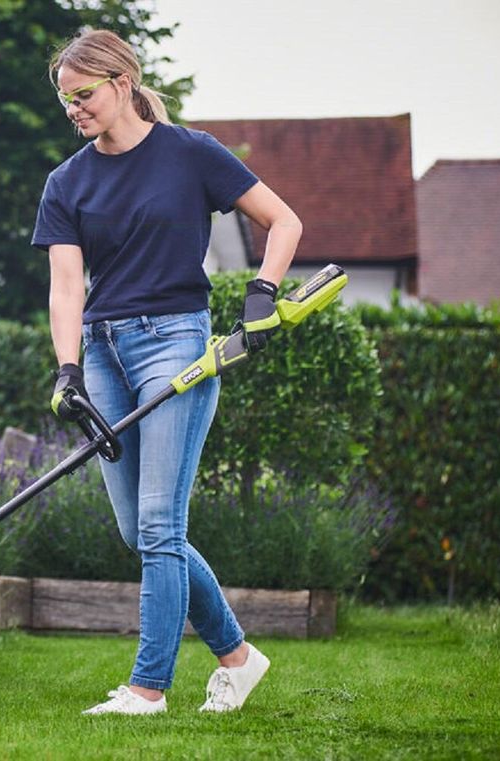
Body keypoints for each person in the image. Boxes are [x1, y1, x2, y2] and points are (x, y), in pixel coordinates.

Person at [32, 29, 303, 716]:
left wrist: (262, 293)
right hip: (103, 353)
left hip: (174, 343)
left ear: (122, 82)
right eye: (65, 100)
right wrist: (68, 370)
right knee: (142, 531)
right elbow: (67, 287)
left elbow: (284, 221)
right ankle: (238, 658)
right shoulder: (67, 182)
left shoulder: (189, 153)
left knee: (159, 526)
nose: (74, 110)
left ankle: (148, 688)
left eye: (84, 95)